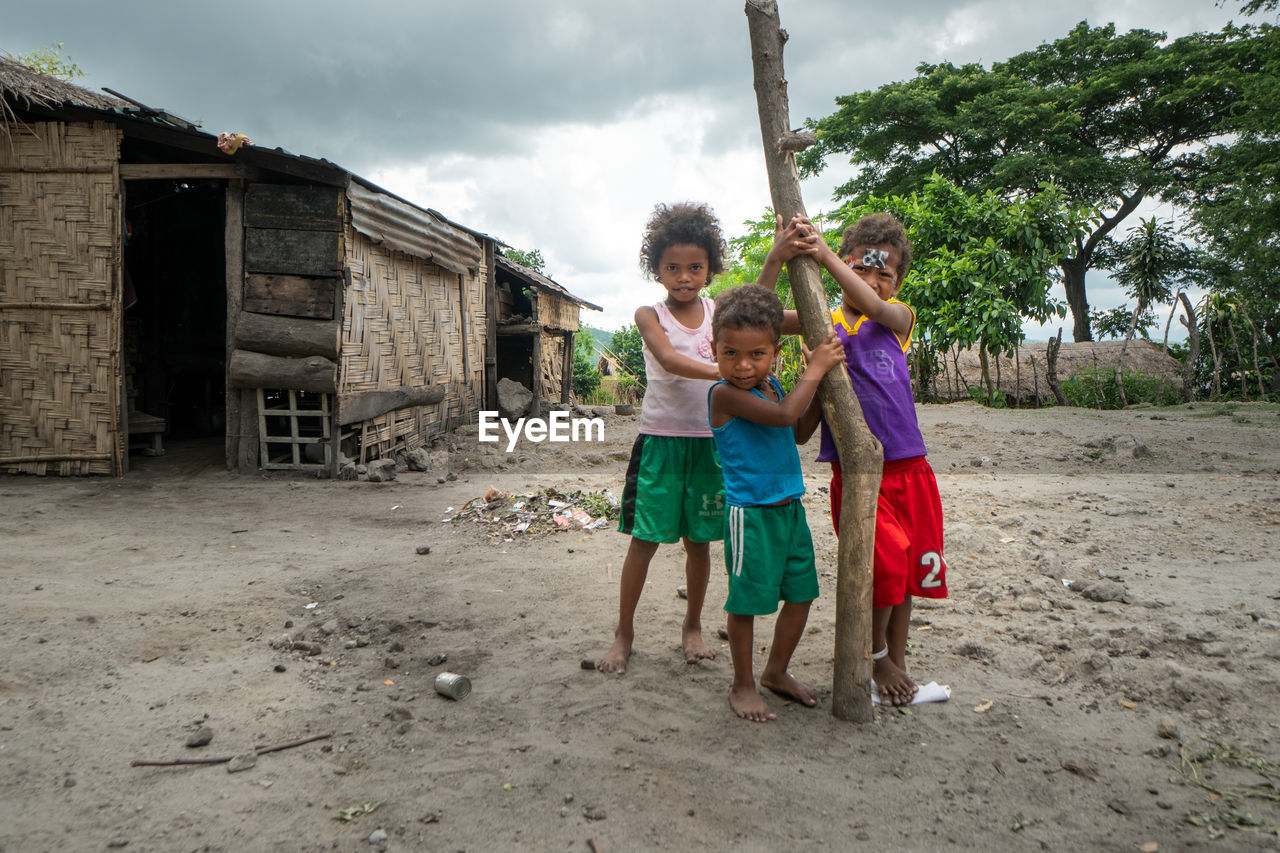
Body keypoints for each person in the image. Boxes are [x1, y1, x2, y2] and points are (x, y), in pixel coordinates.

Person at [765, 212, 949, 706]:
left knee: (908, 571)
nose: (870, 280)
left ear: (898, 282)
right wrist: (778, 258)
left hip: (912, 471)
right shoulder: (820, 323)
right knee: (885, 564)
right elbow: (758, 318)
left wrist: (824, 254)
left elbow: (869, 301)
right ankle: (876, 656)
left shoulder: (898, 318)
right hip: (859, 474)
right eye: (860, 267)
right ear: (847, 263)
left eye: (882, 272)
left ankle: (895, 661)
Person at [596, 202, 728, 675]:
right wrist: (722, 370)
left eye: (695, 266)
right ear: (656, 269)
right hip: (661, 442)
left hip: (708, 442)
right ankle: (623, 634)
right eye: (673, 267)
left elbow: (766, 307)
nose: (684, 276)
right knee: (643, 542)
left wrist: (776, 256)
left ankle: (692, 628)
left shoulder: (719, 311)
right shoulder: (648, 315)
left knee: (700, 543)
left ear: (710, 267)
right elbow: (670, 361)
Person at [707, 284, 845, 722]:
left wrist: (819, 388)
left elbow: (798, 430)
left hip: (790, 510)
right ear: (714, 349)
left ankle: (776, 672)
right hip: (750, 516)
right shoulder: (722, 395)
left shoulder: (774, 385)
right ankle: (742, 684)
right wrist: (817, 369)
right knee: (745, 603)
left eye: (755, 355)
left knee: (802, 594)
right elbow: (785, 416)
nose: (743, 366)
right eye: (730, 354)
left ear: (775, 352)